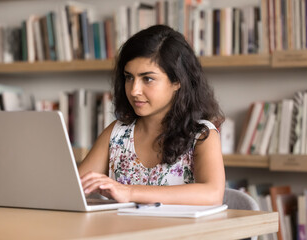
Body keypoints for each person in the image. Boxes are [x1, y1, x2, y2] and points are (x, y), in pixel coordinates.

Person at [79, 25, 225, 205]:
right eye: (129, 77)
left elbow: (212, 194)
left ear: (177, 81)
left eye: (147, 79)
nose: (134, 90)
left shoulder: (201, 135)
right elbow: (74, 189)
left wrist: (130, 192)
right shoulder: (116, 134)